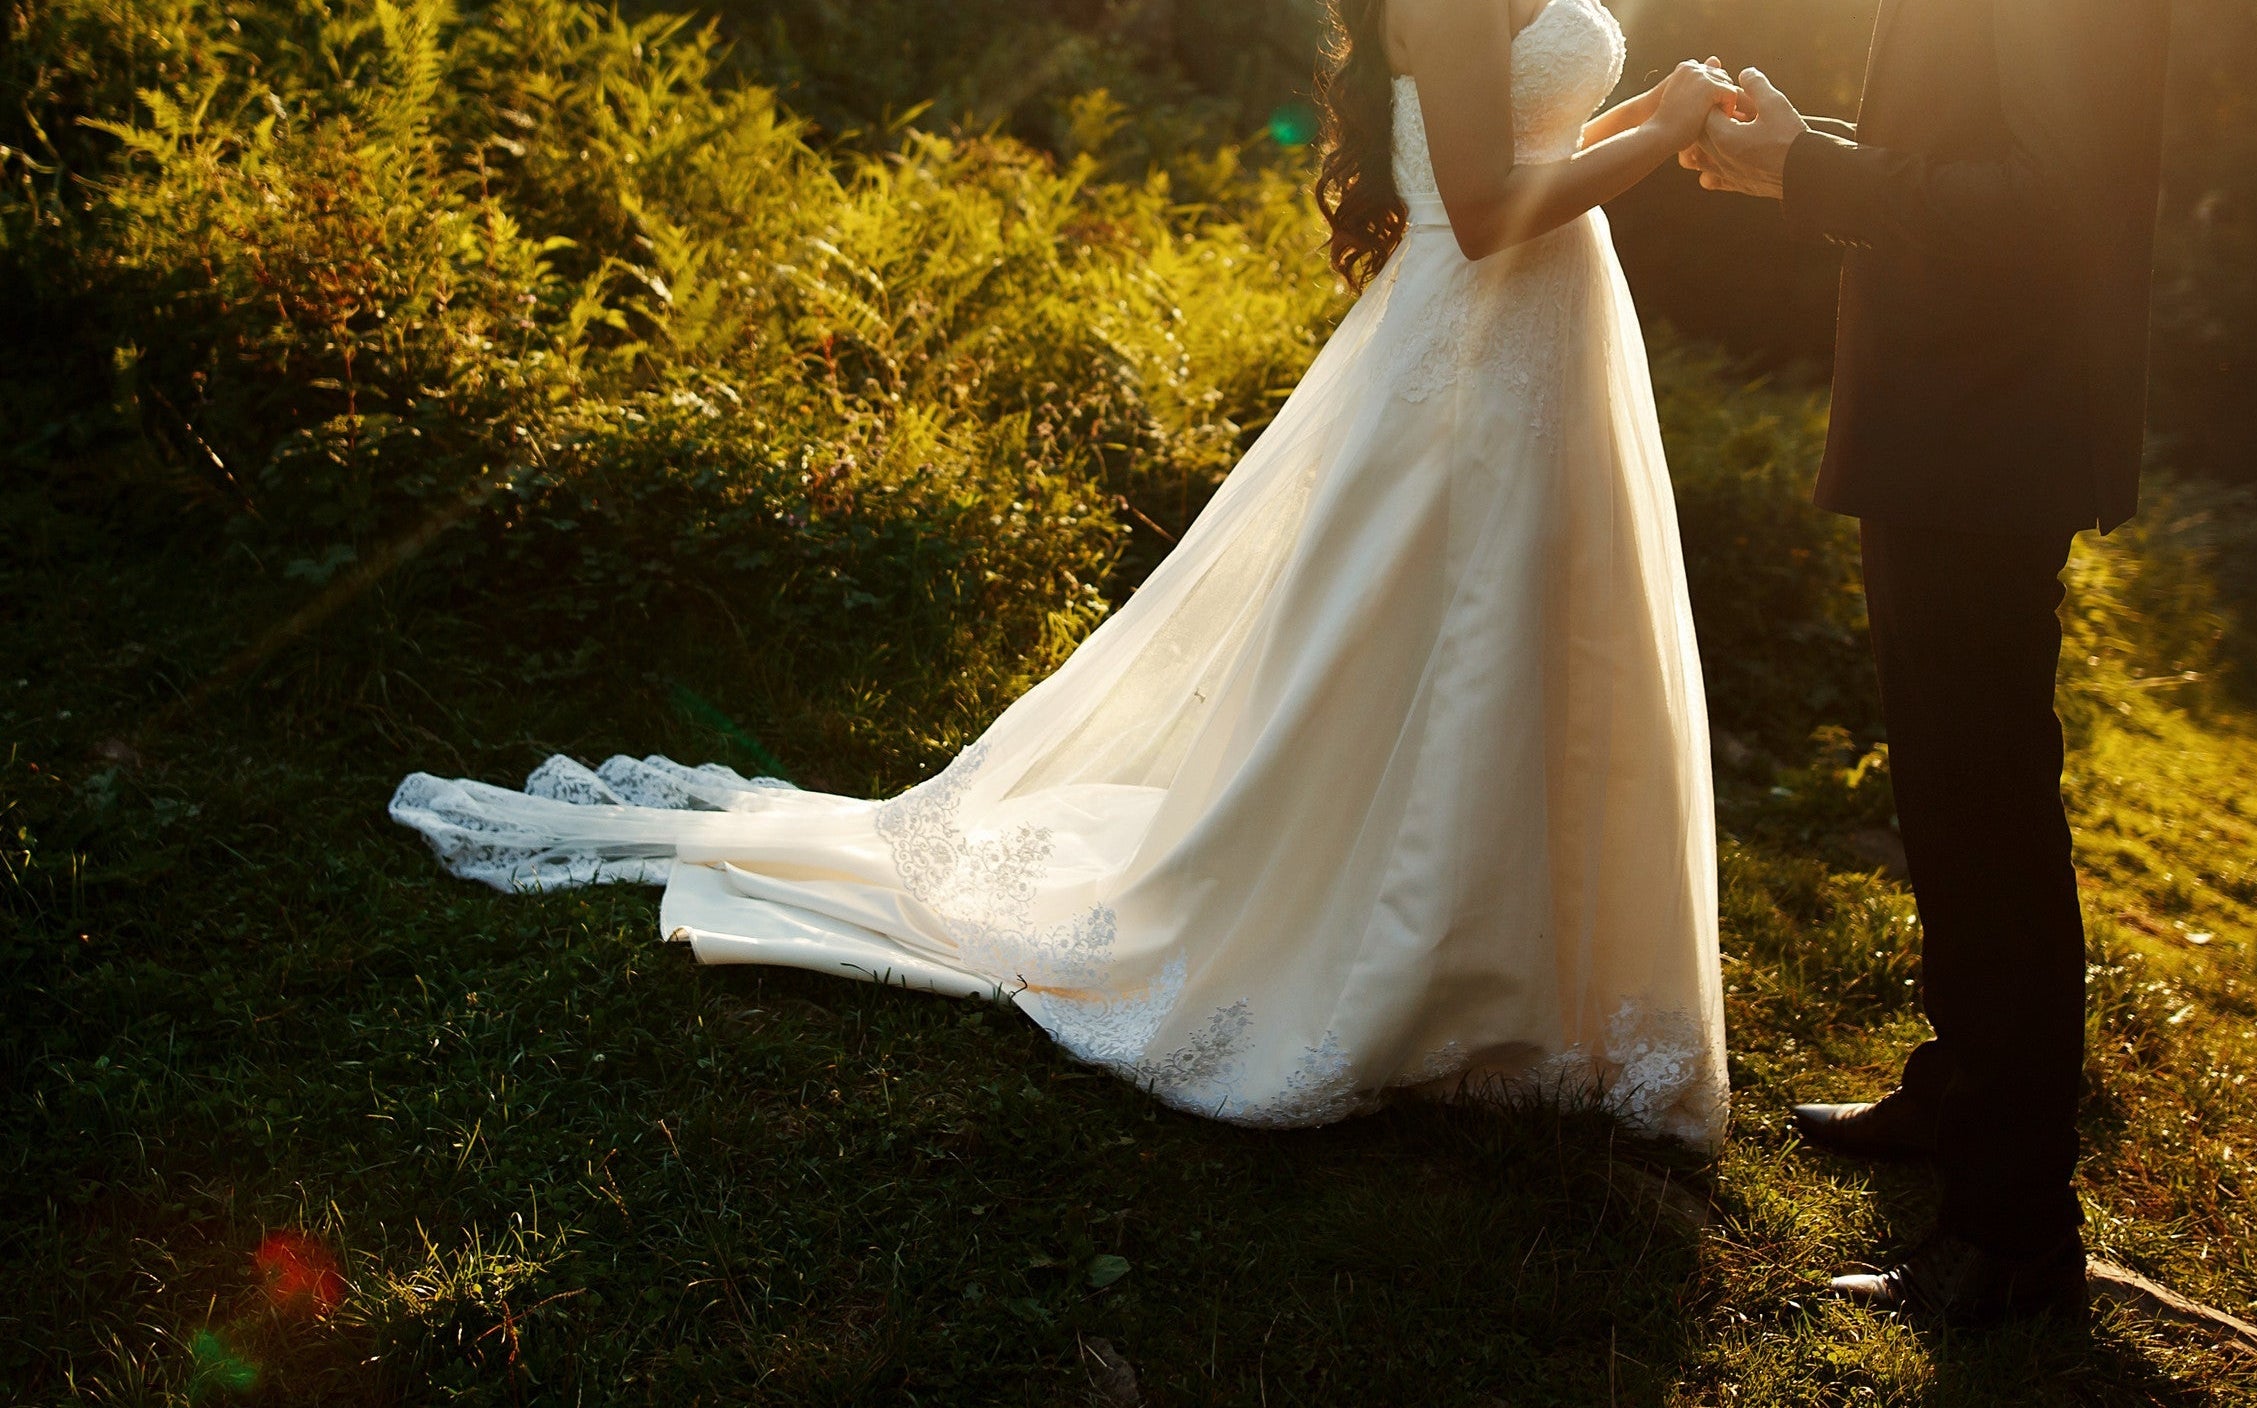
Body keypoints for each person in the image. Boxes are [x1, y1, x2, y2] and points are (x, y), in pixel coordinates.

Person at [394, 0, 1740, 1147]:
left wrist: (1658, 120)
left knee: (1540, 650)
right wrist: (1667, 130)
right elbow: (1494, 212)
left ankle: (1531, 990)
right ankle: (1420, 973)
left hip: (1560, 342)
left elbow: (1537, 148)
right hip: (1473, 362)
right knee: (1434, 653)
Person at [1681, 0, 2176, 1325]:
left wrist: (1811, 168)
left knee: (1989, 813)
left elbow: (2049, 208)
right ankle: (1963, 1094)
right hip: (1952, 424)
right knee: (1953, 800)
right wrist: (1803, 149)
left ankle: (2015, 1237)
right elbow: (1965, 151)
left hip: (1990, 434)